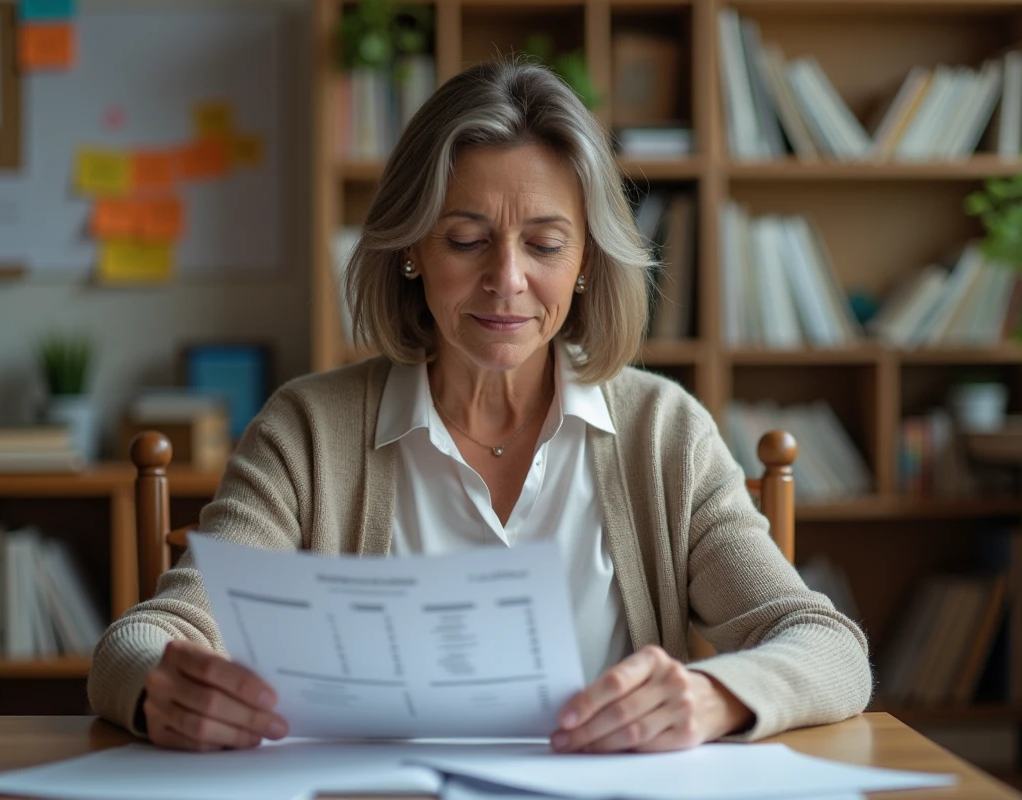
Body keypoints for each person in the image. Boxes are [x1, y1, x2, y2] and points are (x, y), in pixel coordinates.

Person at [88, 60, 872, 754]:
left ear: (588, 260)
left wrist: (712, 697)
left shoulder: (662, 432)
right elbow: (143, 639)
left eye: (544, 243)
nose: (506, 280)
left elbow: (826, 645)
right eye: (466, 240)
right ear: (411, 250)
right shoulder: (307, 431)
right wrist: (162, 689)